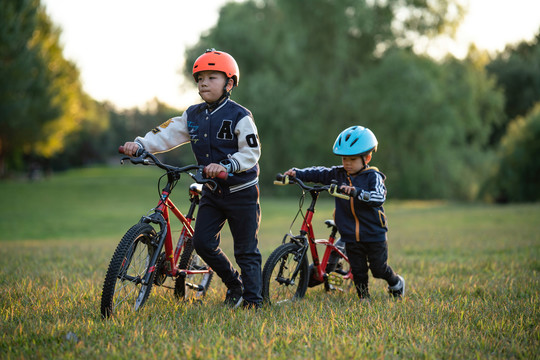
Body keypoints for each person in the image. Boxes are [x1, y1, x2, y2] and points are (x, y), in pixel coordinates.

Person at [121, 49, 262, 309]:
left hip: (241, 191)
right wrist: (140, 145)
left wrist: (227, 165)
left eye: (212, 77)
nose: (204, 83)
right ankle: (234, 284)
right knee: (202, 243)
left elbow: (251, 152)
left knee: (246, 250)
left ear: (229, 84)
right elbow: (167, 133)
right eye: (200, 79)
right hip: (212, 191)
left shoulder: (240, 115)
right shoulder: (193, 115)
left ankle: (254, 302)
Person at [283, 126, 405, 301]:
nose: (347, 163)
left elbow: (379, 197)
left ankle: (396, 282)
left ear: (367, 157)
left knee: (378, 269)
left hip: (373, 233)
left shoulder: (373, 176)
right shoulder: (339, 173)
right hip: (349, 234)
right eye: (344, 158)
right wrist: (298, 173)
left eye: (352, 159)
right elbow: (319, 173)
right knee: (358, 269)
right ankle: (364, 299)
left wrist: (356, 192)